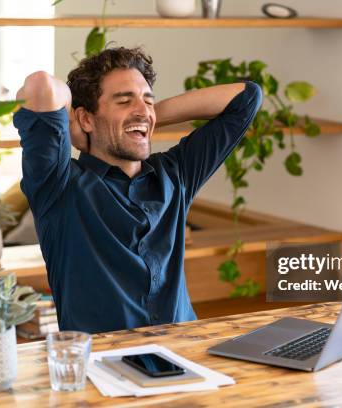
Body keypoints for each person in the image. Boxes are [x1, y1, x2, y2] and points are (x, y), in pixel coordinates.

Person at [13, 46, 262, 333]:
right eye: (123, 100)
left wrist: (145, 117)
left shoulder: (175, 174)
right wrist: (77, 125)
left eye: (148, 100)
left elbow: (247, 98)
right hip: (104, 365)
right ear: (85, 119)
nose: (143, 108)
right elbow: (40, 86)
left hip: (185, 353)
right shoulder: (59, 185)